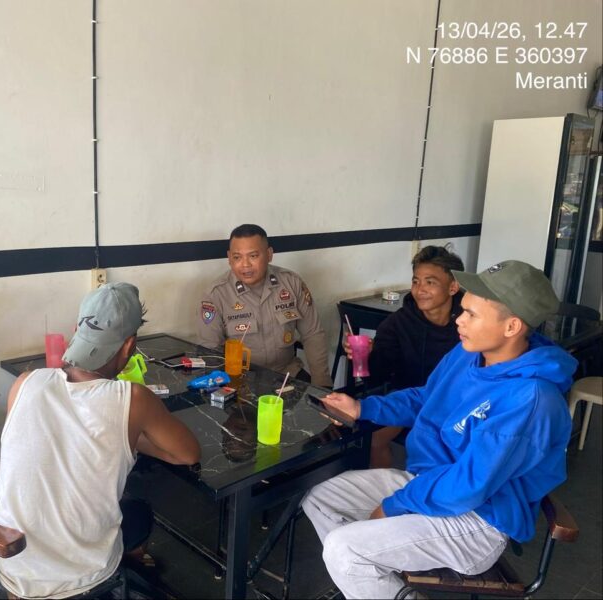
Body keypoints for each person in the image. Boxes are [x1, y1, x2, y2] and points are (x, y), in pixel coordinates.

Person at [302, 260, 575, 599]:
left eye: (472, 315)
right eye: (463, 311)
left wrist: (393, 506)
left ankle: (364, 573)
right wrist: (363, 408)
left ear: (511, 327)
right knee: (321, 498)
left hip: (478, 522)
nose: (459, 320)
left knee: (344, 548)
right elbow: (427, 398)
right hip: (431, 481)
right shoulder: (468, 354)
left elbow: (468, 486)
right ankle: (380, 587)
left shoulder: (530, 399)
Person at [0, 282, 201, 599]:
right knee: (139, 510)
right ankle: (122, 575)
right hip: (77, 577)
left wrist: (123, 438)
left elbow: (45, 437)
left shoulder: (25, 382)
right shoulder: (132, 399)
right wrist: (133, 439)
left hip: (13, 562)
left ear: (76, 330)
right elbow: (188, 453)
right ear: (129, 347)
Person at [344, 245, 465, 468]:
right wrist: (368, 356)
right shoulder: (398, 323)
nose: (420, 290)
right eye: (416, 281)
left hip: (456, 402)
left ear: (453, 287)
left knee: (450, 447)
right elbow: (378, 378)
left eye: (431, 282)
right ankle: (387, 495)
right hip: (410, 399)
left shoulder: (469, 323)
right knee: (375, 441)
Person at [198, 224, 332, 386]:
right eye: (237, 257)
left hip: (287, 374)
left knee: (312, 409)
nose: (245, 264)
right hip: (240, 380)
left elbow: (313, 334)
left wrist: (322, 385)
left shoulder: (291, 282)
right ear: (229, 258)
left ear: (269, 255)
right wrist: (222, 388)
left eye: (253, 256)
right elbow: (210, 350)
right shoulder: (216, 294)